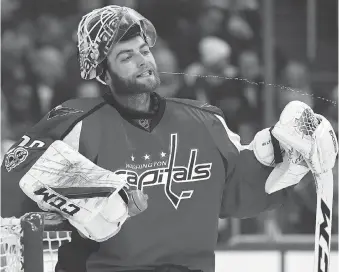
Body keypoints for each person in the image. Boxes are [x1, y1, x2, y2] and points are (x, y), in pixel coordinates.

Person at [1, 5, 337, 272]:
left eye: (143, 50)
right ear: (103, 73)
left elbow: (236, 195)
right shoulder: (75, 120)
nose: (143, 60)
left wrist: (282, 153)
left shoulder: (205, 119)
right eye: (126, 56)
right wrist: (93, 190)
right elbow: (13, 172)